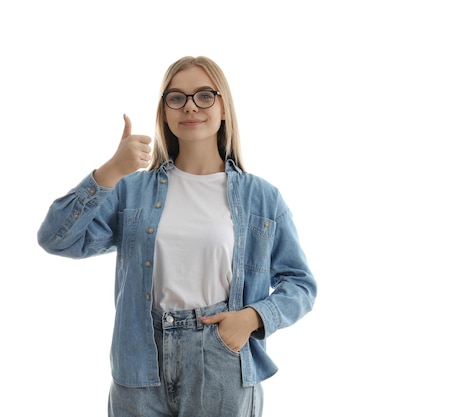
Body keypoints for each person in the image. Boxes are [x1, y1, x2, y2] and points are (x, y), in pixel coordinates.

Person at [37, 55, 317, 417]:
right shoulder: (132, 190)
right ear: (165, 112)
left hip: (221, 363)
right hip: (139, 365)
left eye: (204, 96)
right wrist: (110, 172)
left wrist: (251, 318)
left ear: (224, 108)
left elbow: (301, 283)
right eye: (176, 97)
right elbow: (55, 239)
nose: (190, 107)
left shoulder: (261, 198)